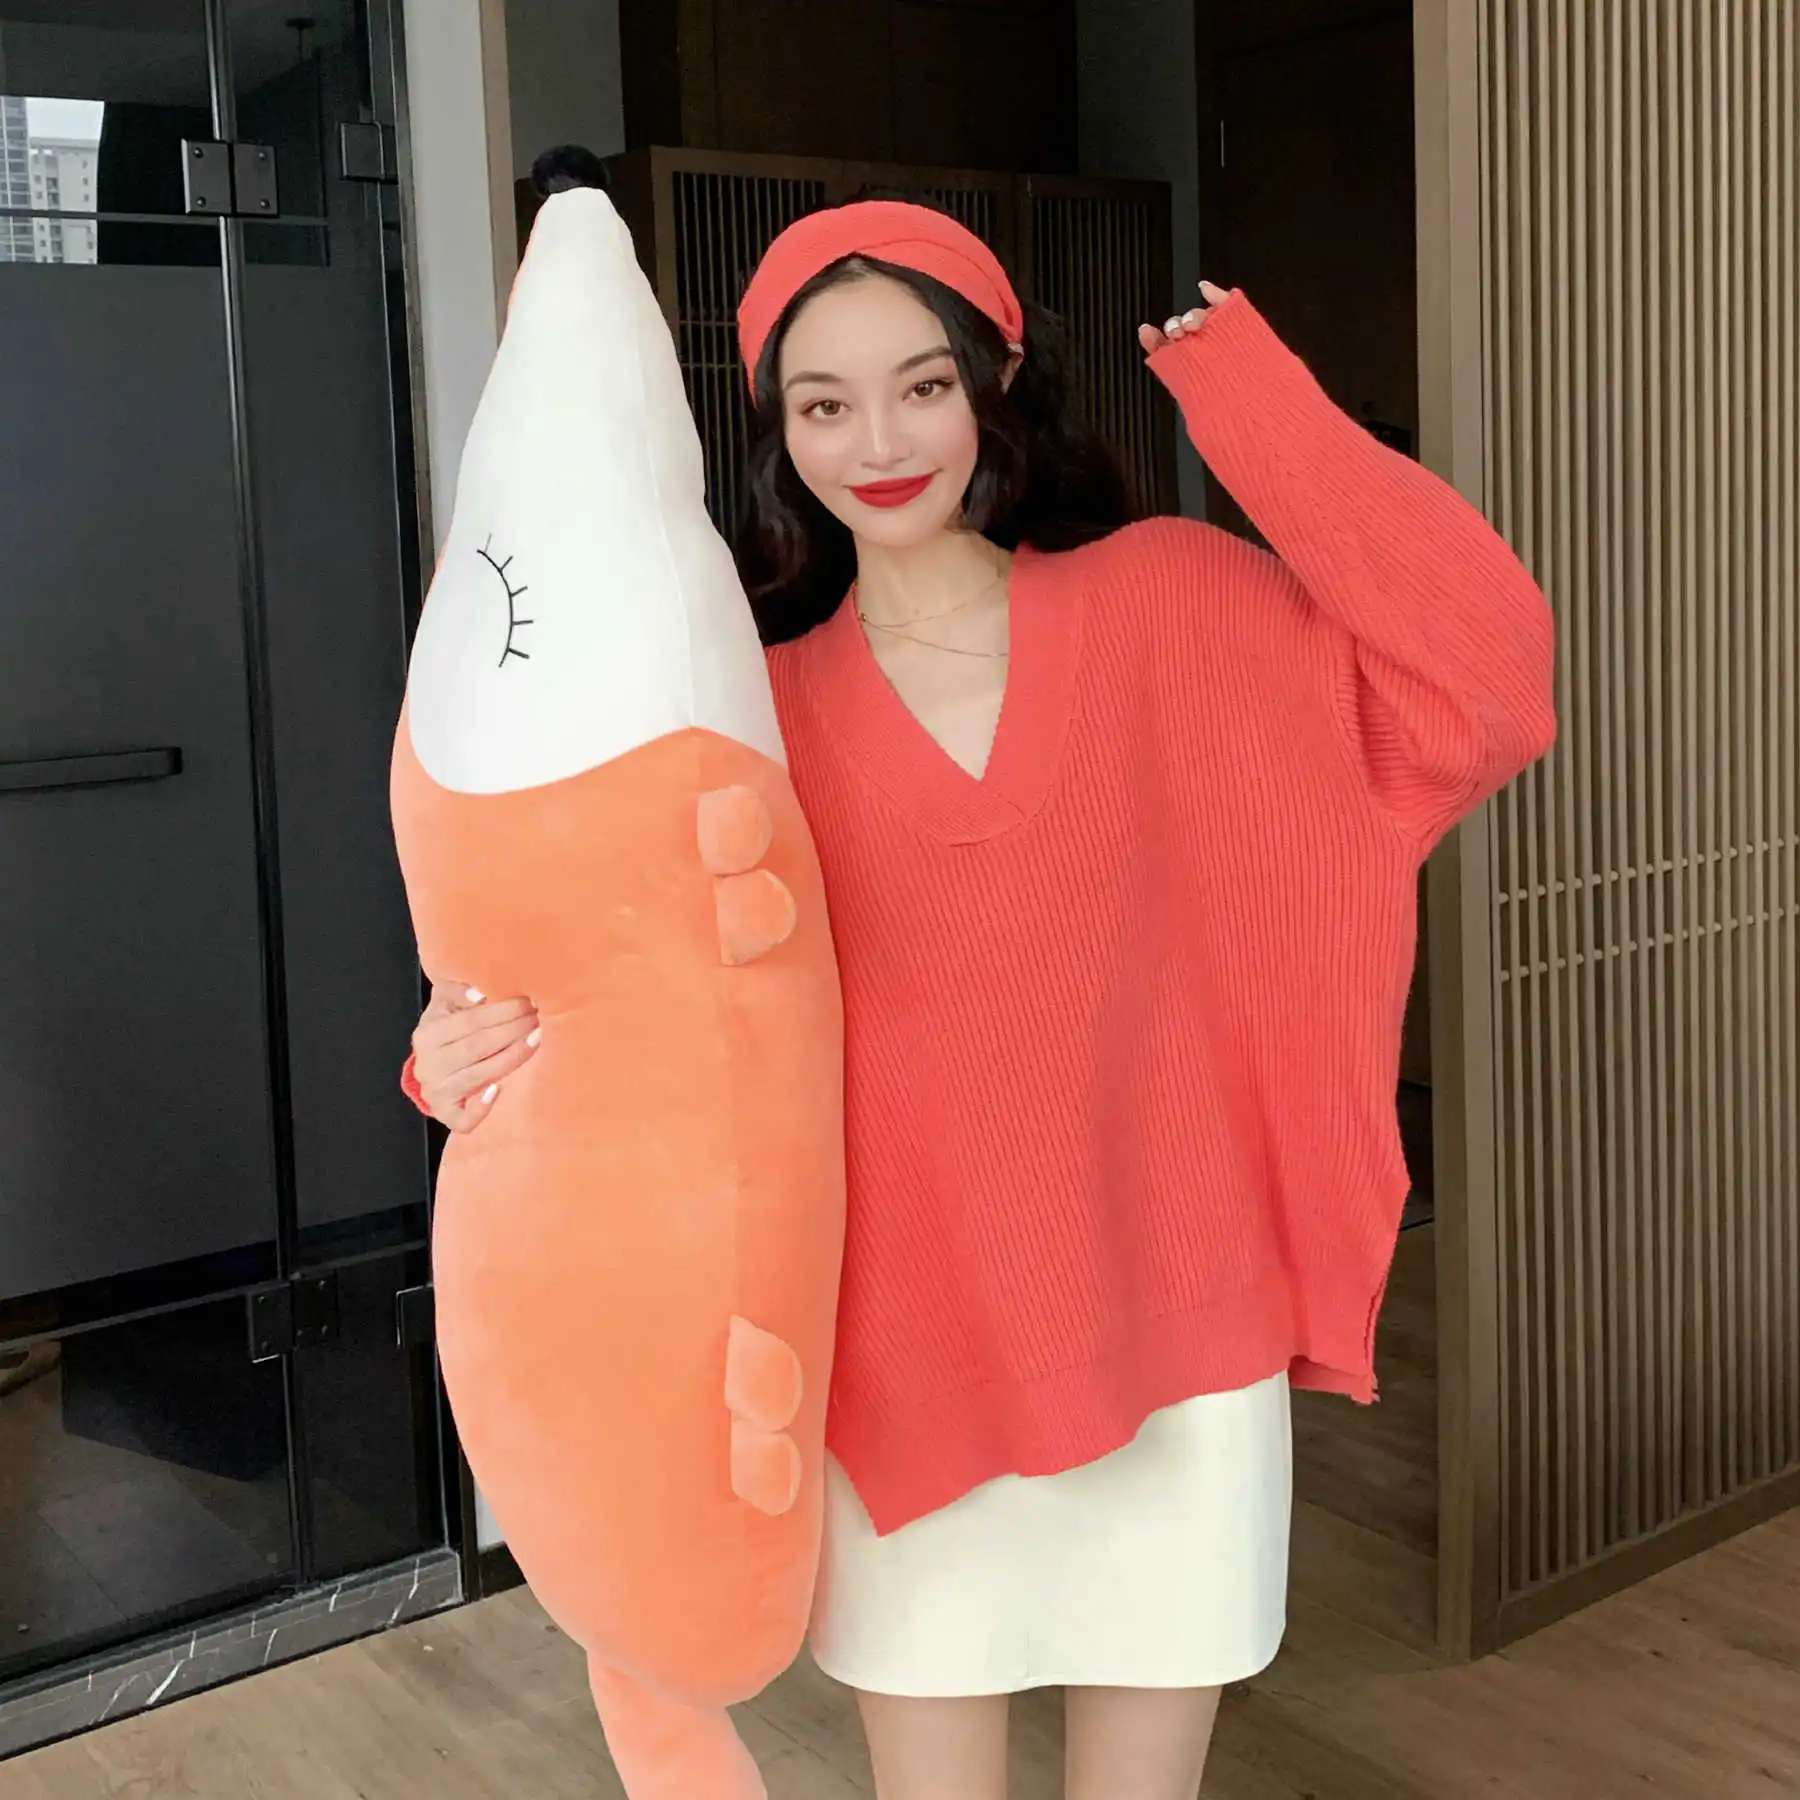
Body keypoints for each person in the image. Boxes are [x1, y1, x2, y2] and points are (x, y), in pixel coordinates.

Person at [403, 198, 1556, 1799]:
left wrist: (1257, 407)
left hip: (1181, 1340)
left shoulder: (1172, 603)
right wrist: (463, 1060)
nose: (878, 442)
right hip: (906, 1357)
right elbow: (617, 991)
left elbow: (1482, 686)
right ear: (777, 430)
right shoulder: (749, 716)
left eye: (923, 385)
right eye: (824, 403)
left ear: (997, 381)